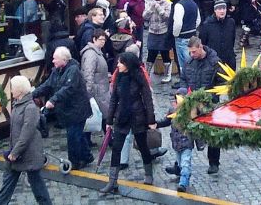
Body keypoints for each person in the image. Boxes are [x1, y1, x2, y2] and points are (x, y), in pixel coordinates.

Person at [100, 53, 157, 194]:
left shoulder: (139, 77)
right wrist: (109, 120)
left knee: (143, 146)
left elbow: (147, 99)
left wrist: (151, 120)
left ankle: (149, 174)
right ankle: (112, 182)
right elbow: (113, 99)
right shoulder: (118, 76)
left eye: (121, 63)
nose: (118, 65)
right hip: (122, 118)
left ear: (128, 64)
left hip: (137, 117)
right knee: (116, 148)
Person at [0, 75, 52, 205]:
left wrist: (15, 153)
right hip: (16, 155)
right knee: (6, 187)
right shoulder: (17, 105)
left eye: (12, 87)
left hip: (27, 154)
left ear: (19, 90)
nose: (11, 90)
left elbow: (27, 134)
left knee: (38, 188)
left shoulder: (30, 108)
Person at [33, 47, 93, 170]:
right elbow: (47, 85)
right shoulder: (57, 71)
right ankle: (87, 156)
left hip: (77, 109)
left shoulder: (73, 71)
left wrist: (52, 100)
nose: (53, 61)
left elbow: (68, 88)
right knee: (78, 134)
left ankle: (74, 162)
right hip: (68, 110)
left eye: (55, 58)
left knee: (73, 136)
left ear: (64, 59)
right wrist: (32, 94)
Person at [182, 37, 223, 174]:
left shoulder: (214, 62)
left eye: (194, 52)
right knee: (183, 134)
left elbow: (222, 82)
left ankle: (214, 162)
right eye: (190, 52)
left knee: (213, 134)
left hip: (210, 103)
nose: (191, 55)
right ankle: (181, 164)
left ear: (201, 47)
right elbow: (183, 80)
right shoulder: (189, 62)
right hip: (193, 103)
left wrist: (212, 96)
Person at [157, 88, 200, 193]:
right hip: (176, 144)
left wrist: (200, 144)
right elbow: (166, 121)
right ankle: (183, 174)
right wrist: (156, 124)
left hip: (187, 143)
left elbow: (198, 128)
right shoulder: (172, 110)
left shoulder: (191, 112)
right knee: (181, 163)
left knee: (185, 163)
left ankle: (183, 183)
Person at [80, 29, 111, 138]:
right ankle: (109, 139)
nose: (103, 42)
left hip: (101, 89)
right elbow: (88, 73)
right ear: (94, 39)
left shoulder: (97, 52)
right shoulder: (91, 54)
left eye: (104, 40)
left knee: (100, 115)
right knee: (100, 116)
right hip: (97, 91)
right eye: (101, 40)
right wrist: (88, 93)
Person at [167, 0, 199, 82]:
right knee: (192, 61)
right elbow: (198, 20)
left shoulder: (179, 5)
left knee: (184, 64)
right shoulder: (194, 3)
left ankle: (186, 84)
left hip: (182, 37)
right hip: (192, 35)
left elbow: (178, 23)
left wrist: (175, 34)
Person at [143, 0, 173, 84]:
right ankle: (147, 74)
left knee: (165, 53)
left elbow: (167, 17)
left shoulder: (168, 3)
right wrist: (151, 9)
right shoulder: (149, 3)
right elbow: (144, 16)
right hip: (152, 32)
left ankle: (168, 74)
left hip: (163, 32)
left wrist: (159, 9)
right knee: (151, 52)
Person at [199, 2, 236, 70]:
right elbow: (203, 43)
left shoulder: (231, 22)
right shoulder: (207, 25)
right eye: (219, 9)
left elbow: (232, 39)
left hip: (229, 59)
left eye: (224, 8)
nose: (222, 11)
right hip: (213, 60)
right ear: (215, 10)